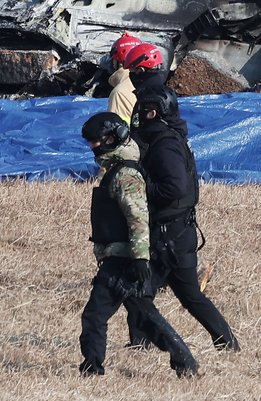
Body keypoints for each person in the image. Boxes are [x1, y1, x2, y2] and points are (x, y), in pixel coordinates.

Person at [78, 112, 198, 378]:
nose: (92, 147)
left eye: (96, 141)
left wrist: (141, 259)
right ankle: (184, 360)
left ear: (112, 139)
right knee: (145, 315)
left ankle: (91, 369)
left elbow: (138, 218)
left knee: (94, 316)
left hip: (122, 259)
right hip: (124, 257)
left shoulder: (125, 176)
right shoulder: (117, 170)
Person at [133, 82, 241, 352]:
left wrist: (141, 187)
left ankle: (144, 345)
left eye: (144, 110)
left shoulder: (164, 145)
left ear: (154, 112)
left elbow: (174, 187)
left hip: (170, 235)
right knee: (176, 295)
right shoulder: (164, 138)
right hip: (175, 232)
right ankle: (226, 343)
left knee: (142, 293)